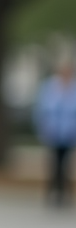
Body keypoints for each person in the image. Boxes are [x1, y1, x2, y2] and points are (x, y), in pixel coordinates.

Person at [34, 55, 76, 207]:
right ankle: (51, 194)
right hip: (53, 132)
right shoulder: (49, 87)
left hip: (69, 133)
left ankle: (65, 194)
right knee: (53, 165)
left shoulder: (73, 88)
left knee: (66, 165)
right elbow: (41, 110)